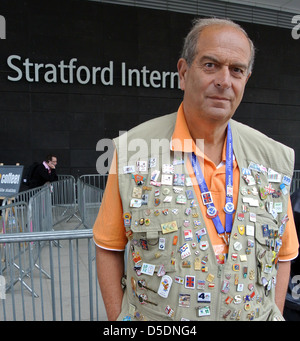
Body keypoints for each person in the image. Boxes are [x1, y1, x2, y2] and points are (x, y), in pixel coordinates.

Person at [93, 18, 299, 321]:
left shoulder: (272, 158)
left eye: (236, 70)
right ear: (183, 72)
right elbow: (108, 248)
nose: (224, 80)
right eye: (211, 65)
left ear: (246, 79)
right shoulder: (134, 150)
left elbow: (283, 256)